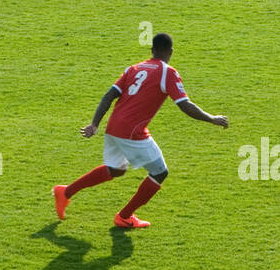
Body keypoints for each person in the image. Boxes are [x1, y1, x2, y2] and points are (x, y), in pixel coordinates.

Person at [54, 33, 228, 230]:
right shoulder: (167, 72)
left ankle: (65, 192)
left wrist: (95, 124)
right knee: (160, 172)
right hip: (132, 131)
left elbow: (109, 95)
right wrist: (212, 118)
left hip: (113, 126)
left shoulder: (133, 68)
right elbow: (184, 104)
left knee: (116, 169)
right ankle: (124, 216)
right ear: (170, 51)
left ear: (152, 50)